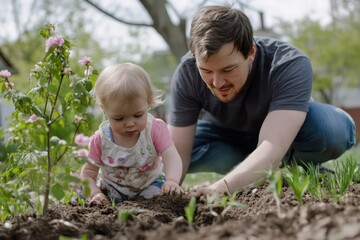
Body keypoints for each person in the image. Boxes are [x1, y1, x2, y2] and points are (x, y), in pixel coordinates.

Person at [167, 5, 356, 196]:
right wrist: (166, 191)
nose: (217, 82)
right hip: (226, 140)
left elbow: (272, 144)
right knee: (160, 149)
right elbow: (177, 153)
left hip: (285, 139)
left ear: (250, 52)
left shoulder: (288, 63)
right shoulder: (187, 72)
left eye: (228, 70)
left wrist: (220, 188)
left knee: (331, 129)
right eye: (206, 71)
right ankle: (250, 173)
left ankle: (299, 166)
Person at [81, 63, 183, 204]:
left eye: (138, 115)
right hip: (112, 189)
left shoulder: (154, 129)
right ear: (105, 111)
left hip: (150, 185)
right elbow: (88, 173)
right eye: (119, 118)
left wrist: (172, 180)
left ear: (148, 103)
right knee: (87, 197)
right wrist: (95, 193)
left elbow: (171, 157)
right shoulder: (101, 139)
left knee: (160, 197)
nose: (129, 124)